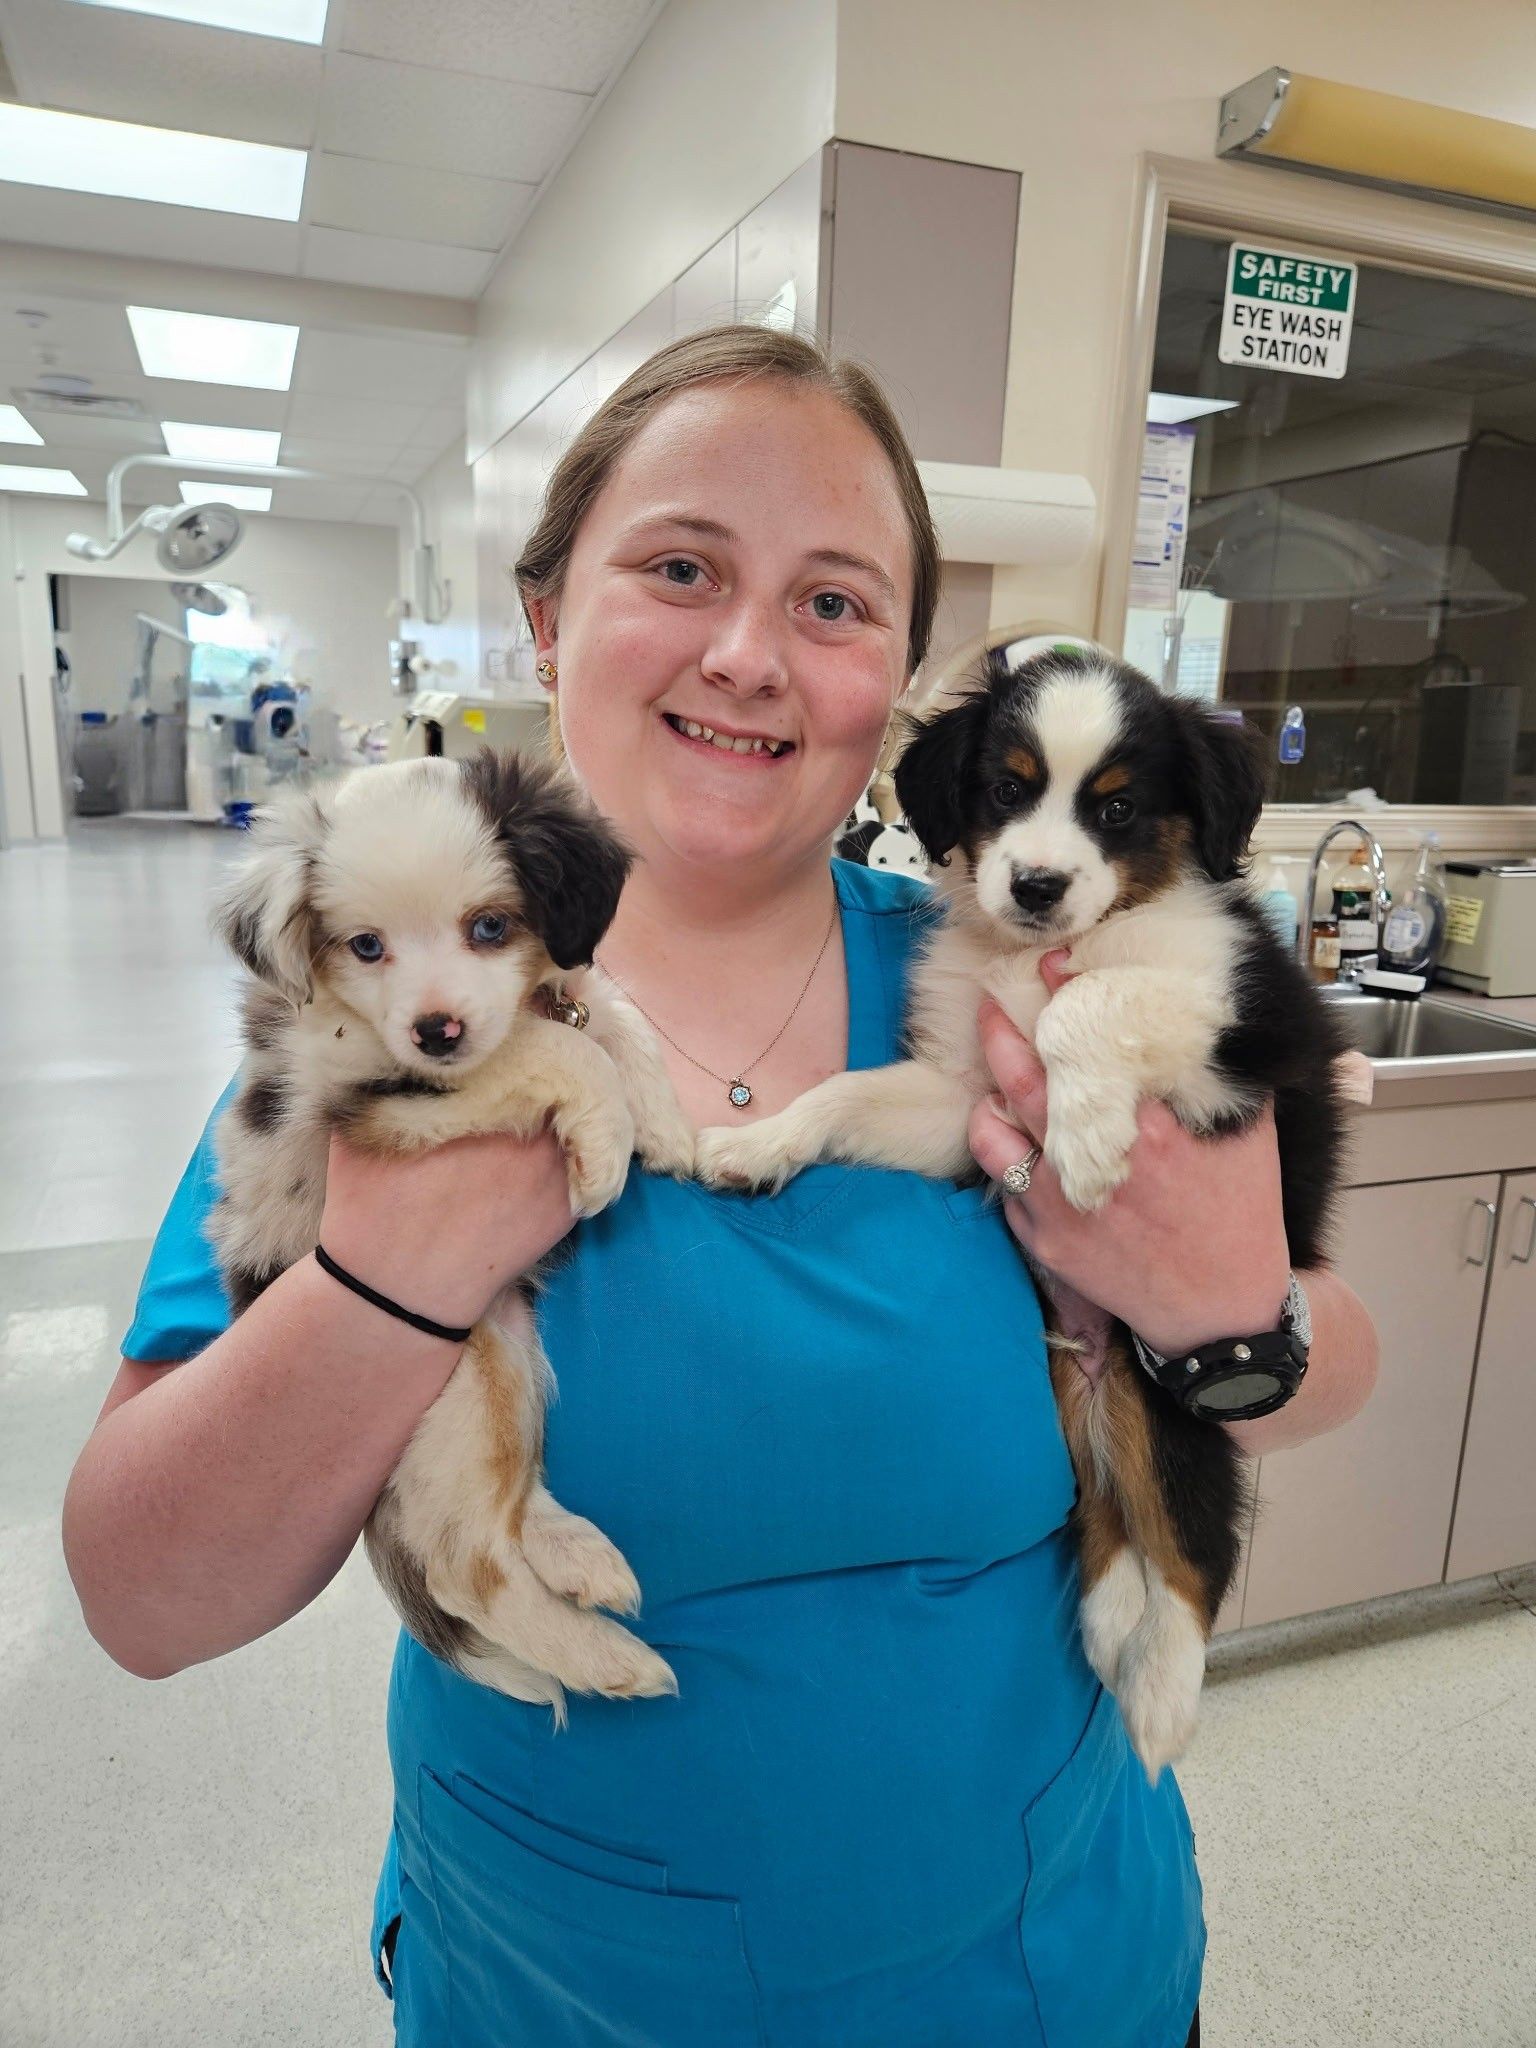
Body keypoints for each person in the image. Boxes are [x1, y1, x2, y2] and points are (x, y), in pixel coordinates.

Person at [63, 325, 1378, 2048]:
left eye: (835, 604)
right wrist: (383, 1285)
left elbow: (1328, 1357)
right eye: (682, 568)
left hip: (1064, 1976)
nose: (751, 656)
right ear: (549, 616)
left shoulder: (1011, 981)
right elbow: (146, 1600)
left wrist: (1229, 1321)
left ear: (894, 679)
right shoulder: (384, 1020)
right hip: (573, 1995)